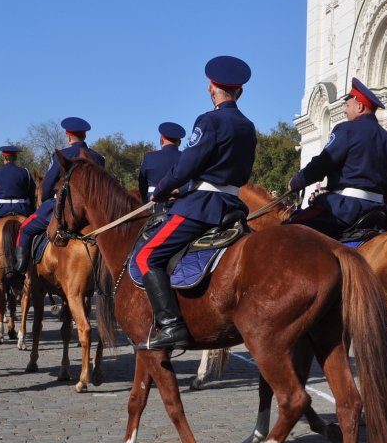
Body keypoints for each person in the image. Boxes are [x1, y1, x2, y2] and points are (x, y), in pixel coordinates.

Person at [131, 55, 255, 350]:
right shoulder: (248, 125)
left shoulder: (209, 120)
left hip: (202, 207)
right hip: (232, 205)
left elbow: (188, 164)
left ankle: (171, 325)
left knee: (146, 256)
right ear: (240, 91)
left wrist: (161, 190)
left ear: (212, 88)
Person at [285, 77, 387, 238]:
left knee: (287, 231)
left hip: (346, 210)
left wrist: (297, 182)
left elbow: (323, 164)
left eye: (347, 105)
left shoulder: (347, 130)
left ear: (359, 106)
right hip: (378, 213)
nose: (345, 111)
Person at [13, 117, 105, 273]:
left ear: (68, 136)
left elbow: (48, 183)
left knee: (25, 229)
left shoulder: (61, 155)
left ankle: (20, 271)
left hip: (63, 208)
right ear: (85, 136)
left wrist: (48, 200)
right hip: (92, 212)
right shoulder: (98, 158)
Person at [0, 146, 36, 247]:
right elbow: (32, 193)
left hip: (1, 210)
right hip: (22, 210)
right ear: (16, 157)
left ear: (3, 157)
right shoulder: (25, 172)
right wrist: (31, 210)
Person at [138, 122, 186, 210]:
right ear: (179, 142)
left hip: (153, 206)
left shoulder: (149, 157)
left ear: (162, 139)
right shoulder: (185, 157)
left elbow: (142, 184)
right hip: (180, 207)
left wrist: (145, 201)